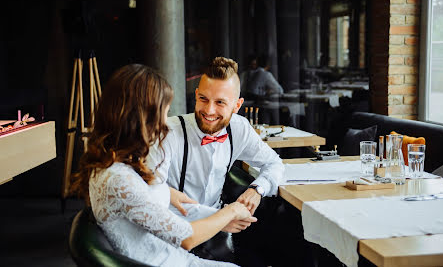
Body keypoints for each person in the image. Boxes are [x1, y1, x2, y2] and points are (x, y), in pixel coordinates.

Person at [71, 64, 256, 267]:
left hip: (171, 256)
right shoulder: (118, 178)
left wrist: (167, 192)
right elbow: (187, 239)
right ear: (141, 117)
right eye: (162, 113)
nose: (164, 123)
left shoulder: (112, 163)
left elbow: (141, 203)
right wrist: (231, 211)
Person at [147, 57, 285, 264]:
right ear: (195, 95)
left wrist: (257, 189)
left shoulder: (239, 128)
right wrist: (220, 218)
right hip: (172, 236)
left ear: (237, 105)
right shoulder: (168, 133)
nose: (209, 110)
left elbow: (275, 163)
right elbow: (152, 199)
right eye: (203, 99)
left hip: (219, 233)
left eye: (220, 102)